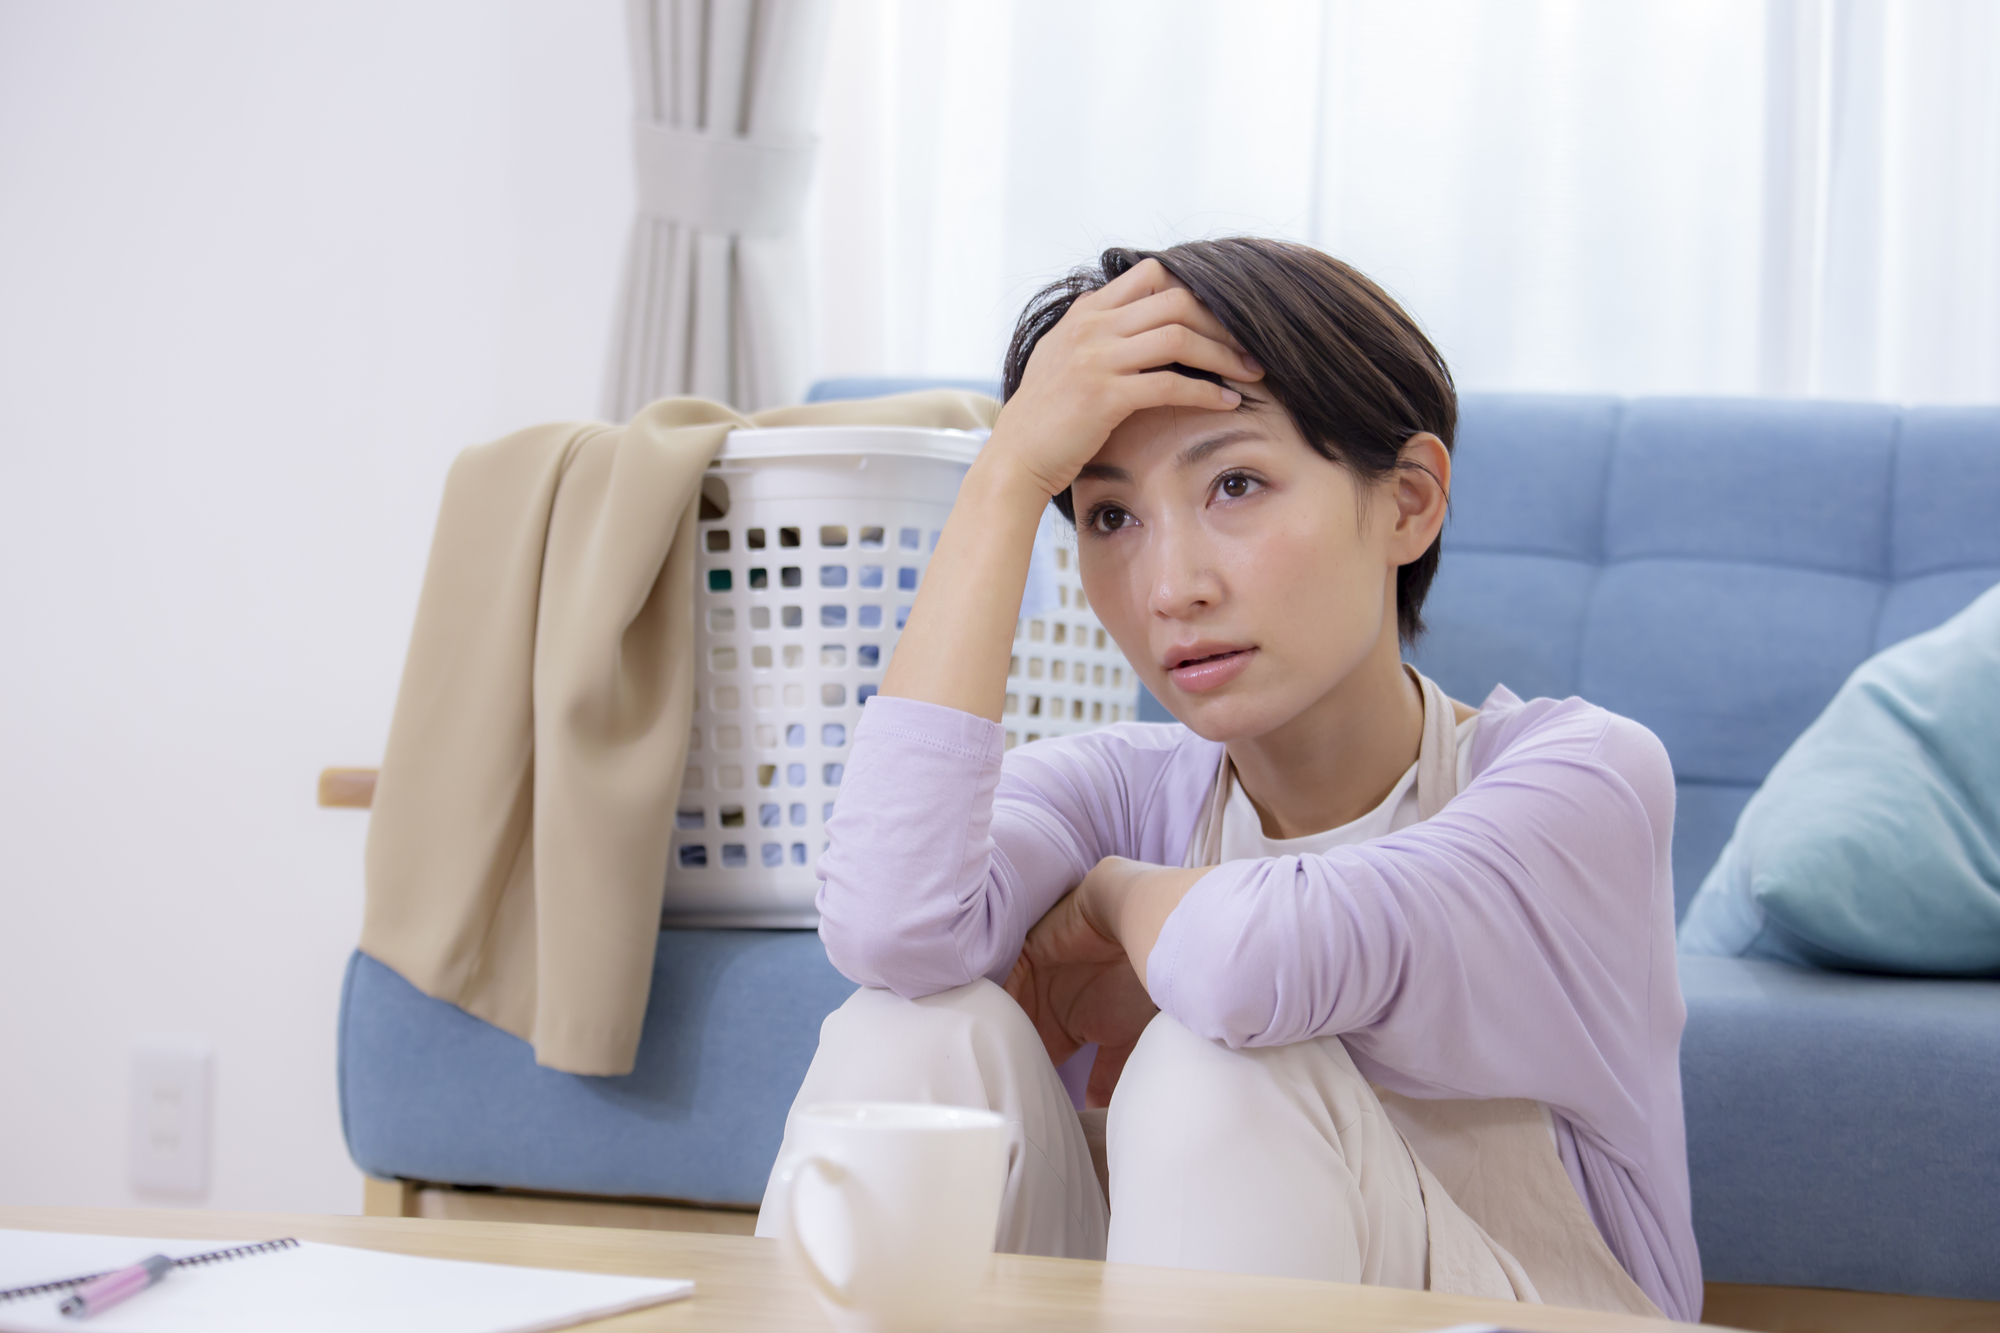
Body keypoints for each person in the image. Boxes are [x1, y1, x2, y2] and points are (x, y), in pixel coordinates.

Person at [754, 238, 1700, 1322]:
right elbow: (889, 927)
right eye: (1111, 516)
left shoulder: (1578, 780)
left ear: (1406, 502)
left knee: (1218, 1062)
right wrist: (1004, 476)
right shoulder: (1122, 788)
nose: (1170, 587)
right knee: (910, 1029)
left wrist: (1114, 896)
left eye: (1234, 484)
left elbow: (1251, 959)